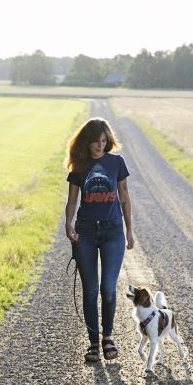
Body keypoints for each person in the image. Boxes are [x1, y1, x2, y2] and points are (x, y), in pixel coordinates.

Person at [64, 117, 134, 362]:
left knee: (108, 288)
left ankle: (108, 337)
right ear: (87, 142)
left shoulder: (116, 163)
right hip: (85, 232)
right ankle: (94, 342)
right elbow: (72, 200)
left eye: (104, 141)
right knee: (91, 289)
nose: (100, 147)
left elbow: (124, 197)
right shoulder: (79, 167)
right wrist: (68, 224)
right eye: (96, 142)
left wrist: (130, 230)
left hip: (113, 231)